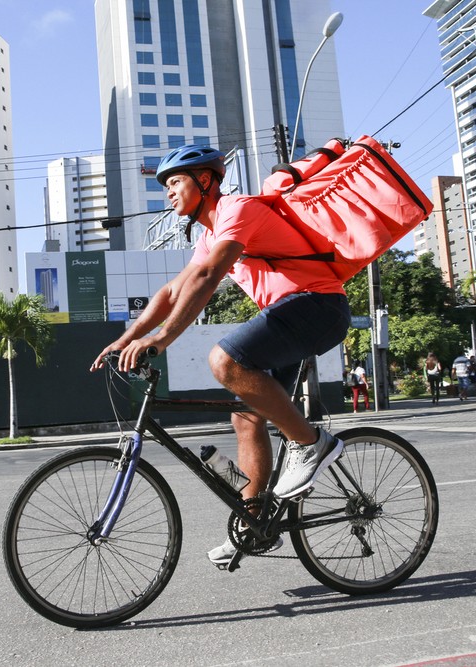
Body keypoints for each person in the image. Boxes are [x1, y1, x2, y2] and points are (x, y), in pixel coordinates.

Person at [90, 144, 351, 566]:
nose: (169, 193)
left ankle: (312, 444)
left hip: (318, 307)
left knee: (225, 362)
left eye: (175, 182)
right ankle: (255, 527)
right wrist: (128, 337)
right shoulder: (209, 234)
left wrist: (161, 341)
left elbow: (210, 276)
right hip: (288, 315)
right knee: (246, 418)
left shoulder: (238, 210)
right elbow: (174, 290)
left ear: (205, 181)